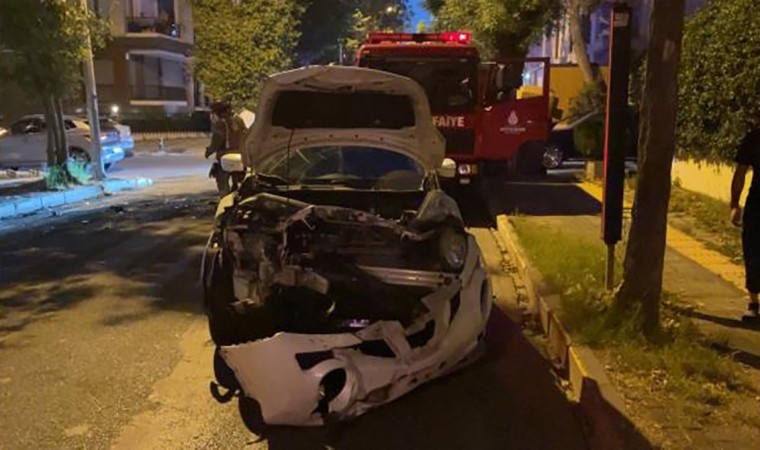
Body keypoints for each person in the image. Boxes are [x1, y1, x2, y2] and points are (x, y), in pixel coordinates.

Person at [730, 126, 760, 321]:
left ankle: (753, 304)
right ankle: (754, 302)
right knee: (752, 251)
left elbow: (740, 173)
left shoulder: (754, 137)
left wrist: (735, 205)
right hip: (757, 204)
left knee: (753, 252)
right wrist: (734, 205)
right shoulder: (754, 138)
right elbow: (740, 173)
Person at [205, 100, 246, 196]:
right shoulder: (239, 120)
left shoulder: (221, 123)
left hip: (225, 155)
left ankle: (224, 197)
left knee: (221, 179)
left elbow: (217, 140)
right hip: (241, 154)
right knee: (241, 178)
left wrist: (209, 151)